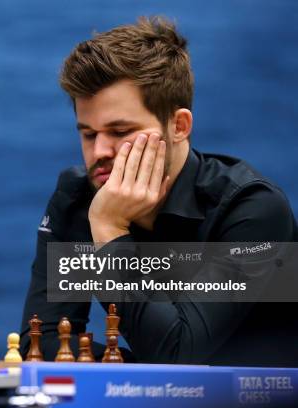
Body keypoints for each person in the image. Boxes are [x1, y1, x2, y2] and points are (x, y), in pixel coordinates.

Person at [20, 16, 298, 366]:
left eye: (120, 131)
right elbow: (41, 345)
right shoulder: (79, 199)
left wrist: (110, 230)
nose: (99, 151)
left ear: (179, 126)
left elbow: (178, 351)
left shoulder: (252, 210)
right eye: (88, 134)